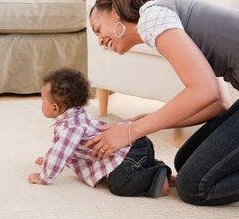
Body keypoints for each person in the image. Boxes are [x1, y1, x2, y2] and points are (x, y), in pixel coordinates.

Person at [86, 0, 239, 206]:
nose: (99, 40)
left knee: (195, 187)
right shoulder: (164, 21)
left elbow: (204, 91)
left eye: (98, 29)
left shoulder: (151, 17)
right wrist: (141, 121)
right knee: (184, 160)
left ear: (115, 11)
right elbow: (217, 103)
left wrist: (130, 132)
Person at [28, 67, 174, 198]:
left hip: (130, 150)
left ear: (55, 108)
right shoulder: (78, 115)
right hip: (137, 145)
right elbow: (60, 149)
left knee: (119, 183)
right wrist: (48, 158)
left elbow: (60, 153)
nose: (41, 104)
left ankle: (156, 177)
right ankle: (158, 171)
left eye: (43, 101)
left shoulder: (71, 129)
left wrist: (44, 176)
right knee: (134, 165)